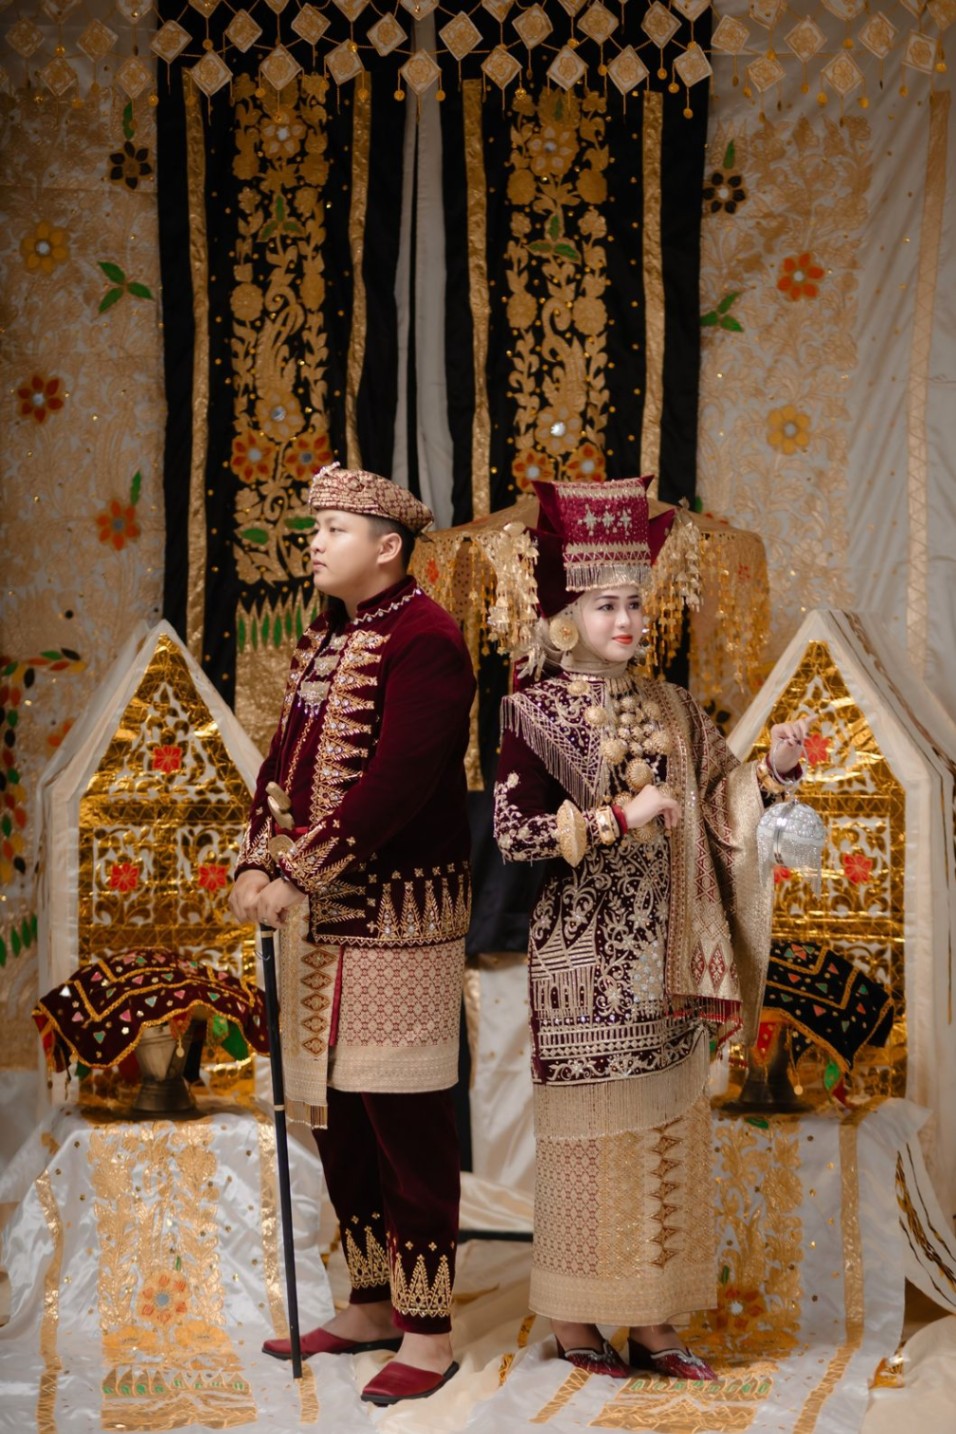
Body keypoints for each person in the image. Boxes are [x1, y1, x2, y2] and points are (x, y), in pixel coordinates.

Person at [493, 477, 807, 1379]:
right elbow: (512, 833)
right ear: (566, 617)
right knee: (588, 1145)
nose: (627, 619)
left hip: (669, 956)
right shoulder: (532, 711)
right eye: (606, 604)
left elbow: (721, 806)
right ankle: (575, 1316)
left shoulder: (674, 706)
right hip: (582, 963)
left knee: (665, 1139)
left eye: (635, 602)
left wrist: (773, 772)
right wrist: (615, 819)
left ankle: (655, 1322)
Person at [230, 461, 475, 1407]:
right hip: (320, 921)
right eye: (314, 529)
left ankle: (430, 1331)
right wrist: (255, 859)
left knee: (406, 1124)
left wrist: (295, 870)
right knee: (337, 1122)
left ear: (388, 547)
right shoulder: (325, 636)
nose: (315, 544)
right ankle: (371, 1305)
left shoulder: (427, 640)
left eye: (333, 530)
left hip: (398, 923)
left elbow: (397, 783)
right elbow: (279, 765)